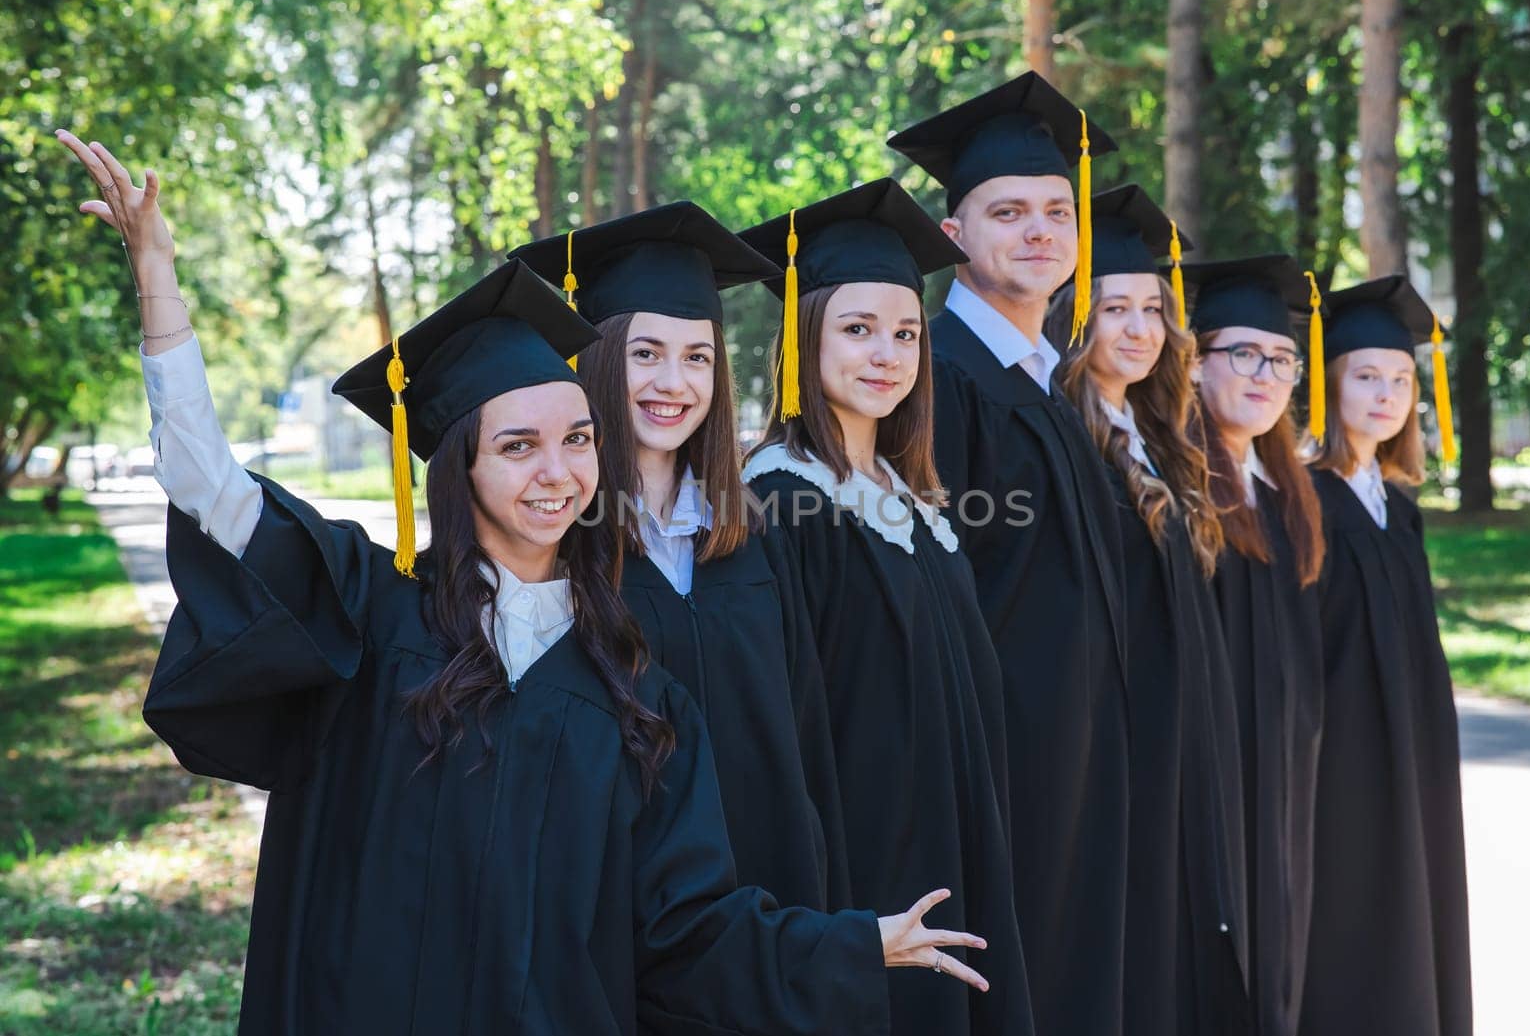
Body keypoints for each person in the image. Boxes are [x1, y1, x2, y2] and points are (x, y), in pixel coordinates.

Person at [56, 129, 990, 1036]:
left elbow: (685, 926)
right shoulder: (376, 617)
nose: (557, 471)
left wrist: (853, 943)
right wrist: (159, 287)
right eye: (517, 446)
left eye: (577, 439)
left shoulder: (632, 692)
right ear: (458, 469)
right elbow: (209, 486)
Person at [739, 177, 1034, 1036]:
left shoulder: (916, 502)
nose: (888, 354)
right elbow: (785, 730)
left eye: (906, 332)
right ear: (804, 337)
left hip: (953, 856)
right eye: (858, 329)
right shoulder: (782, 503)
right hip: (865, 884)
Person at [510, 203, 848, 911]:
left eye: (698, 357)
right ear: (598, 358)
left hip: (771, 896)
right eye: (646, 353)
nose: (675, 381)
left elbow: (806, 736)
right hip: (625, 909)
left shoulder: (755, 535)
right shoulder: (561, 548)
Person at [887, 70, 1131, 1036]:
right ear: (954, 238)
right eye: (1007, 211)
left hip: (1078, 751)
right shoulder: (940, 377)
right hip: (1006, 758)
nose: (1038, 229)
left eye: (1055, 210)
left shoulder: (1045, 378)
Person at [1044, 185, 1249, 1036]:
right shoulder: (1063, 433)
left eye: (1153, 310)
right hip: (1116, 743)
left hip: (1177, 738)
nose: (1136, 328)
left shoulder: (1165, 439)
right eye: (1113, 307)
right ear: (1076, 319)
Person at [1298, 274, 1472, 1036]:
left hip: (1415, 746)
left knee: (1420, 896)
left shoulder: (1397, 505)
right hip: (1342, 756)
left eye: (1401, 379)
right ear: (1329, 386)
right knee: (1357, 906)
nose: (1387, 394)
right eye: (1365, 376)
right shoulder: (1302, 495)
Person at [1187, 253, 1326, 1036]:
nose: (1265, 374)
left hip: (1282, 768)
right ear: (1196, 362)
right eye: (1242, 353)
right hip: (1220, 763)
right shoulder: (1184, 485)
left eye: (1280, 360)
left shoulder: (1286, 494)